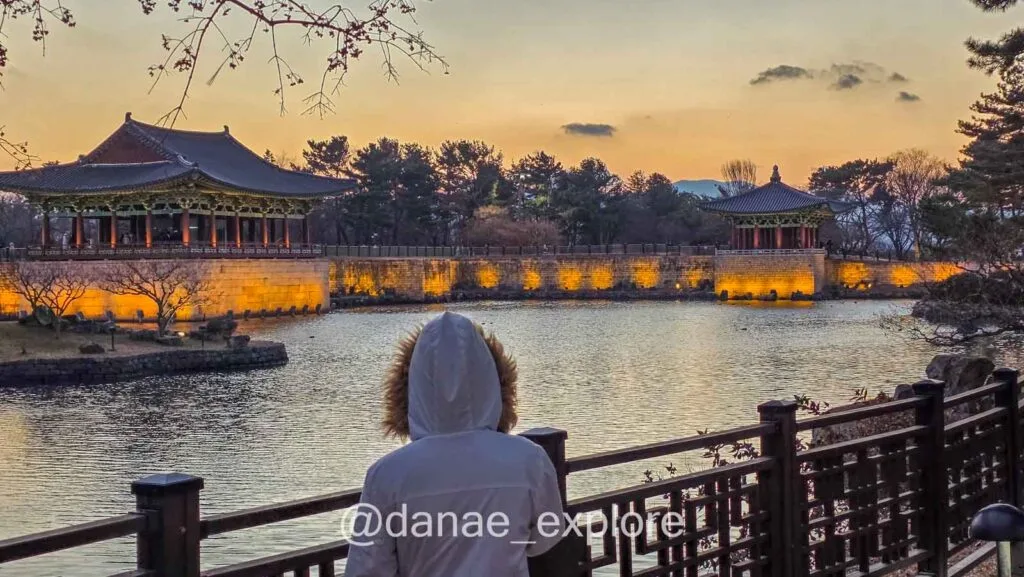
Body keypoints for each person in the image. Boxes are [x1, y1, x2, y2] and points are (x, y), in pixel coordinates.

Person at [345, 311, 565, 577]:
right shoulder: (529, 459)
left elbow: (368, 568)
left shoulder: (386, 475)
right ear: (494, 379)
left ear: (412, 384)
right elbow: (544, 538)